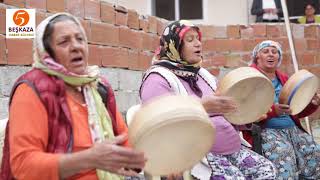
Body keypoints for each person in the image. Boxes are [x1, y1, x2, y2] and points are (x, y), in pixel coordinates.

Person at [0, 13, 146, 180]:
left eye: (80, 39)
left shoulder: (98, 87)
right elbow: (24, 166)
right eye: (64, 42)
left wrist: (151, 155)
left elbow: (124, 142)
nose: (76, 47)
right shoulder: (32, 89)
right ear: (47, 53)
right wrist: (90, 159)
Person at [139, 20, 276, 179]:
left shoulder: (203, 75)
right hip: (197, 156)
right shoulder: (157, 78)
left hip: (232, 149)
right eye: (190, 40)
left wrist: (247, 116)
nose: (198, 44)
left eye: (198, 39)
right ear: (174, 45)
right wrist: (201, 107)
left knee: (266, 171)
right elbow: (156, 120)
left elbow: (225, 110)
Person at [244, 40, 320, 179]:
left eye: (274, 52)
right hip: (267, 131)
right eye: (265, 51)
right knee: (284, 156)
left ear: (279, 57)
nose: (270, 55)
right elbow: (246, 111)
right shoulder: (250, 78)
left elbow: (295, 111)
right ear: (257, 57)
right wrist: (273, 111)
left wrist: (312, 104)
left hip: (292, 130)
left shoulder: (284, 79)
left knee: (314, 153)